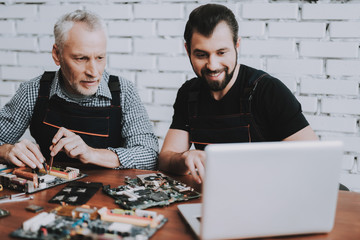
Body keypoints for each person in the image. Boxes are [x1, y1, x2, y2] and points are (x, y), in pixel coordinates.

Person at [159, 4, 318, 183]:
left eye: (221, 52)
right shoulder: (189, 93)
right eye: (202, 55)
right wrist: (184, 158)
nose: (213, 65)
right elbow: (165, 159)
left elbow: (312, 158)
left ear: (237, 45)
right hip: (215, 196)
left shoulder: (268, 90)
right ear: (188, 51)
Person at [0, 10, 158, 170]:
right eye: (81, 58)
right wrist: (6, 151)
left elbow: (149, 156)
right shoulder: (33, 91)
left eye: (100, 58)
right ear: (57, 54)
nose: (94, 72)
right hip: (48, 191)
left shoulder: (124, 92)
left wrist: (91, 154)